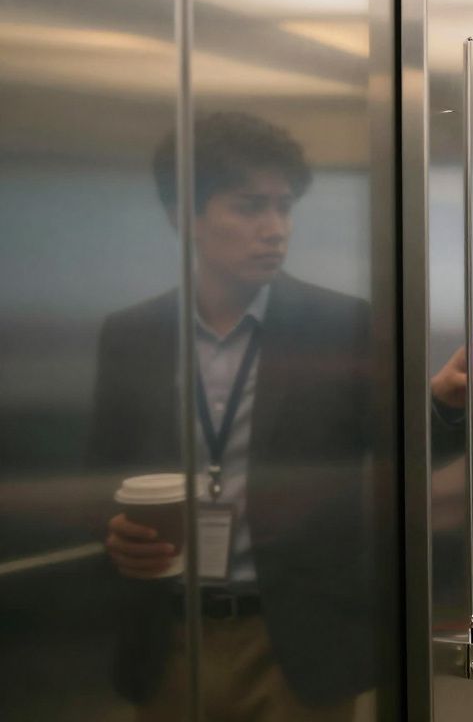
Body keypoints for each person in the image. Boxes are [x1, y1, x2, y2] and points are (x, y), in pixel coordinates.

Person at [89, 112, 374, 721]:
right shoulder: (132, 335)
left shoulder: (341, 327)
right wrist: (115, 533)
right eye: (249, 207)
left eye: (284, 207)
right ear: (184, 216)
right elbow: (100, 478)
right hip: (169, 638)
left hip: (298, 643)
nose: (274, 230)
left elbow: (411, 449)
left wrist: (462, 402)